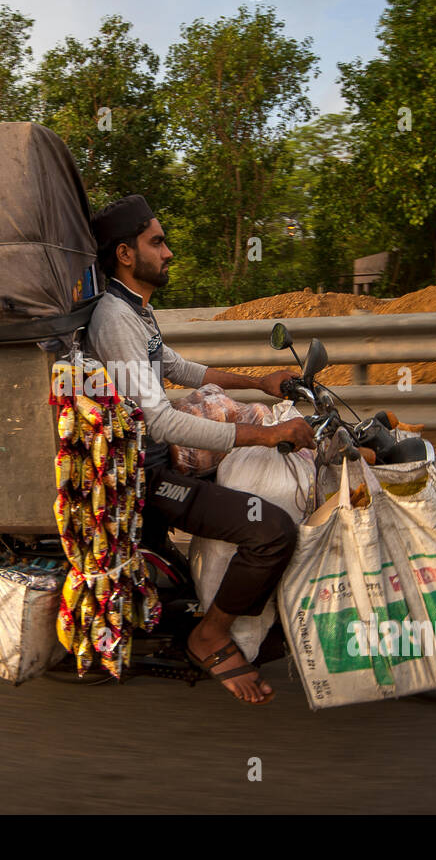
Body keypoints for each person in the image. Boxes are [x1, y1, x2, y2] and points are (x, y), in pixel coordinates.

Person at [86, 195, 315, 705]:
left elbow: (180, 369)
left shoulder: (135, 309)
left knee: (263, 477)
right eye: (157, 242)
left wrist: (262, 383)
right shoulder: (113, 318)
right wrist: (267, 434)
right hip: (141, 475)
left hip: (158, 459)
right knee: (272, 530)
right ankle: (208, 637)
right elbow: (159, 418)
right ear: (126, 253)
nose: (168, 253)